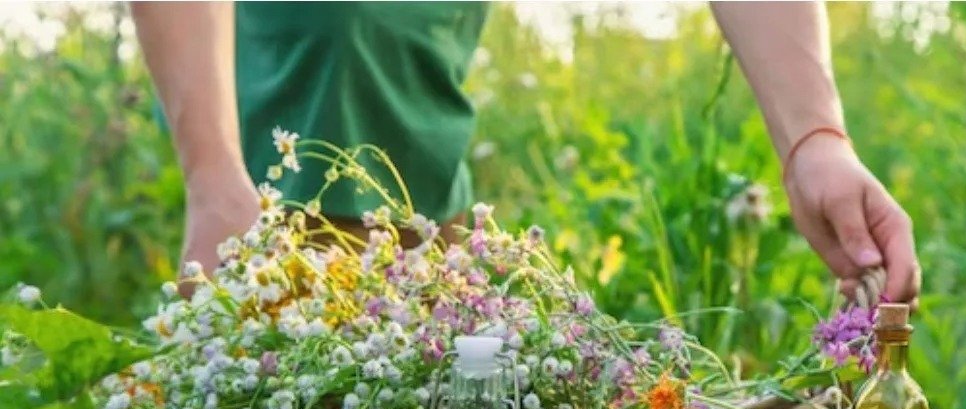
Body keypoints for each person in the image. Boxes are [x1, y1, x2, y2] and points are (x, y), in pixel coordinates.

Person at [132, 1, 920, 305]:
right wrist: (212, 176)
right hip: (268, 211)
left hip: (415, 196)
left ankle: (404, 297)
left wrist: (816, 140)